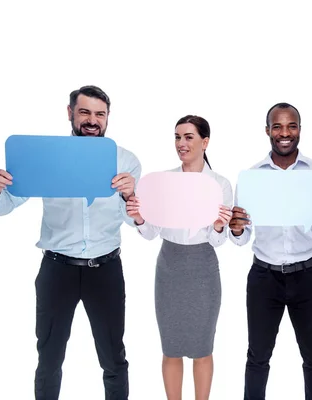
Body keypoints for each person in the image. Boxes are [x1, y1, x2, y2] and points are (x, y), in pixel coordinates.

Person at [0, 85, 141, 400]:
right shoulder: (46, 158)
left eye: (100, 114)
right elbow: (4, 206)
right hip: (58, 270)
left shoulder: (126, 160)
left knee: (113, 357)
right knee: (49, 357)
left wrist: (131, 196)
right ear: (70, 113)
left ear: (108, 118)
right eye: (84, 112)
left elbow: (138, 221)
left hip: (106, 270)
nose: (92, 121)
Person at [228, 102, 312, 400]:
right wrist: (237, 228)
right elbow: (241, 239)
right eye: (277, 126)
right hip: (263, 277)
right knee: (257, 357)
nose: (284, 133)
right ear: (267, 131)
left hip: (306, 275)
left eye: (291, 126)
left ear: (300, 131)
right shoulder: (251, 177)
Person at [126, 115, 232, 400]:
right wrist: (138, 217)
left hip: (203, 268)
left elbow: (218, 241)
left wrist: (220, 226)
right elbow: (151, 233)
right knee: (170, 346)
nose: (181, 143)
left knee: (202, 347)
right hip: (169, 266)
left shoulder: (220, 185)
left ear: (205, 142)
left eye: (188, 137)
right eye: (177, 137)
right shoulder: (164, 182)